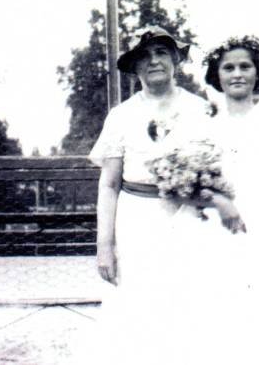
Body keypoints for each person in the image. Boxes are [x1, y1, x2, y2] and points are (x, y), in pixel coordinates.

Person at [75, 26, 212, 364]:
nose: (154, 61)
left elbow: (216, 169)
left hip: (188, 217)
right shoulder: (121, 116)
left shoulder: (200, 110)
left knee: (186, 307)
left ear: (176, 60)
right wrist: (104, 245)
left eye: (162, 53)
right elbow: (108, 185)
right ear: (134, 67)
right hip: (136, 220)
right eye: (145, 56)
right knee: (137, 309)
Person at [196, 35, 259, 364]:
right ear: (217, 75)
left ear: (257, 72)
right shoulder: (203, 124)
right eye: (228, 67)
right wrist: (219, 201)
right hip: (211, 228)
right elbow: (186, 182)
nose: (237, 73)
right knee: (216, 321)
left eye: (244, 66)